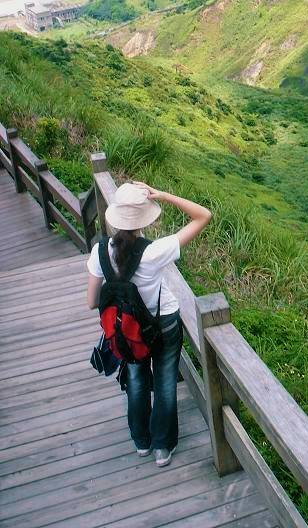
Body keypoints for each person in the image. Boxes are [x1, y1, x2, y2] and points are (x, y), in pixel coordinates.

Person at [86, 181, 212, 467]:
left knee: (137, 379)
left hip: (127, 331)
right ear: (145, 217)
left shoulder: (99, 252)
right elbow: (203, 215)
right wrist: (164, 194)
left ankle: (141, 442)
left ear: (115, 216)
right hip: (163, 325)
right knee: (166, 382)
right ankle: (162, 449)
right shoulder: (155, 251)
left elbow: (92, 302)